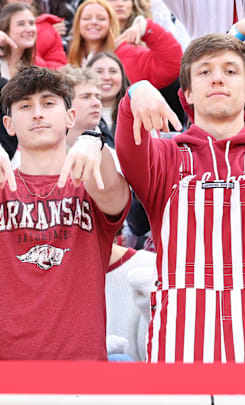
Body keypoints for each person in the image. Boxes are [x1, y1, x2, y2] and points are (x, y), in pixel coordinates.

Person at [114, 33, 245, 363]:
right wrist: (134, 93)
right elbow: (128, 143)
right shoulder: (165, 157)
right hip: (180, 339)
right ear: (188, 94)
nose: (218, 78)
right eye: (204, 71)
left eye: (230, 70)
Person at [0, 66, 130, 359]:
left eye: (48, 103)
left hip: (80, 369)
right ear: (9, 124)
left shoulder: (91, 183)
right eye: (25, 106)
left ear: (70, 117)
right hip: (7, 372)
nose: (37, 113)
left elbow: (112, 192)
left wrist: (94, 142)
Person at [67, 0, 181, 90]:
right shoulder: (68, 59)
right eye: (87, 18)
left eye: (101, 18)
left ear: (111, 24)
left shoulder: (130, 53)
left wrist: (146, 28)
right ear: (78, 24)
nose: (93, 22)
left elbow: (171, 66)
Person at [87, 52, 130, 143]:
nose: (106, 77)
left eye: (113, 71)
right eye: (99, 72)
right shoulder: (76, 116)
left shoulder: (136, 112)